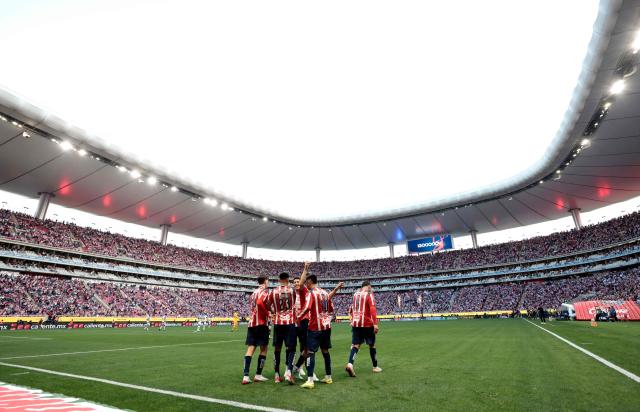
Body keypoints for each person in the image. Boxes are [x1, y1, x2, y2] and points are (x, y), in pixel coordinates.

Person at [296, 274, 343, 389]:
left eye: (307, 282)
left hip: (315, 327)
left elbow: (307, 307)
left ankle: (310, 380)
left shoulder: (312, 293)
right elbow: (330, 309)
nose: (306, 284)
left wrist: (298, 316)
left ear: (310, 281)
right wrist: (336, 289)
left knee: (311, 352)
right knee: (325, 351)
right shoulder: (325, 293)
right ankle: (328, 376)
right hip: (326, 327)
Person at [265, 272, 297, 384]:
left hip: (278, 322)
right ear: (288, 279)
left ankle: (277, 375)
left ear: (279, 280)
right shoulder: (292, 290)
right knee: (291, 348)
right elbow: (296, 302)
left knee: (277, 348)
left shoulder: (273, 291)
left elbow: (267, 304)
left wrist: (274, 312)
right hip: (290, 321)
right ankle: (288, 372)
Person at [346, 281, 382, 377]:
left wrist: (352, 320)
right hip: (367, 324)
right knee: (372, 345)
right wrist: (375, 324)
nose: (371, 289)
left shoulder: (355, 295)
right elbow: (373, 309)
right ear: (367, 287)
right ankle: (375, 367)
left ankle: (350, 364)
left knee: (356, 345)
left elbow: (351, 309)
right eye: (370, 287)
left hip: (356, 324)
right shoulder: (369, 295)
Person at [242, 276, 271, 385]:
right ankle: (258, 375)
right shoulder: (264, 292)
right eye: (268, 280)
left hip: (252, 323)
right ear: (265, 281)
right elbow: (259, 303)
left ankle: (245, 376)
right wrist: (268, 313)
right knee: (263, 349)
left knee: (250, 349)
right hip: (261, 323)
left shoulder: (254, 293)